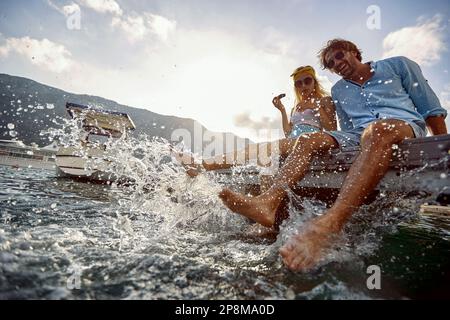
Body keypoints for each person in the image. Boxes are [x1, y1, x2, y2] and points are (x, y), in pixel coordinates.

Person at [218, 39, 448, 271]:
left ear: (354, 52)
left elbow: (431, 109)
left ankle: (329, 224)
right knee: (306, 139)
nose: (337, 64)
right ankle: (268, 202)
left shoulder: (398, 65)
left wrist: (441, 154)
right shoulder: (340, 90)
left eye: (339, 56)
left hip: (404, 126)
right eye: (331, 63)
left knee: (378, 130)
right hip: (359, 135)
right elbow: (345, 129)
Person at [175, 66, 336, 177]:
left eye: (307, 81)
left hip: (311, 143)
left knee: (259, 148)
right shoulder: (296, 107)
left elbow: (333, 130)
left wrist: (316, 107)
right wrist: (282, 111)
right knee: (263, 160)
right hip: (292, 142)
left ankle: (203, 165)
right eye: (298, 83)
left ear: (314, 81)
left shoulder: (325, 101)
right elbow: (288, 131)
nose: (303, 86)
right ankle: (267, 211)